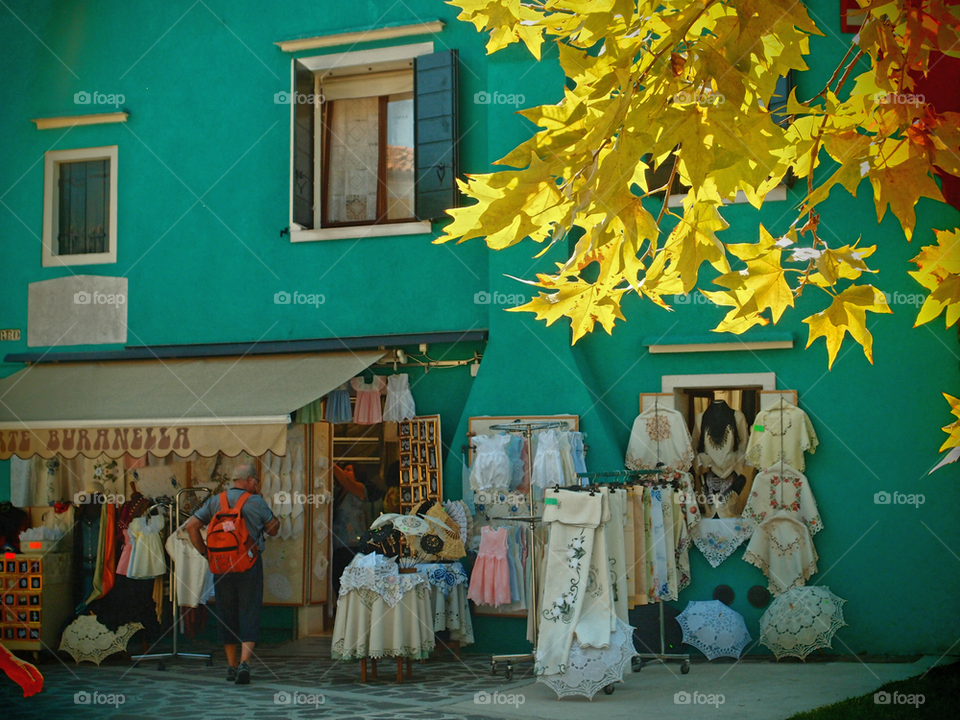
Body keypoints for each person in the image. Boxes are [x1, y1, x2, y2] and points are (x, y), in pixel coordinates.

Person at [185, 464, 279, 685]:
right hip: (249, 564)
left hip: (222, 566)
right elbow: (274, 529)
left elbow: (191, 526)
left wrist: (206, 554)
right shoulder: (256, 501)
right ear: (249, 481)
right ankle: (245, 663)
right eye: (255, 481)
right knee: (249, 610)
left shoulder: (216, 501)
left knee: (227, 612)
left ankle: (231, 665)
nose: (256, 485)